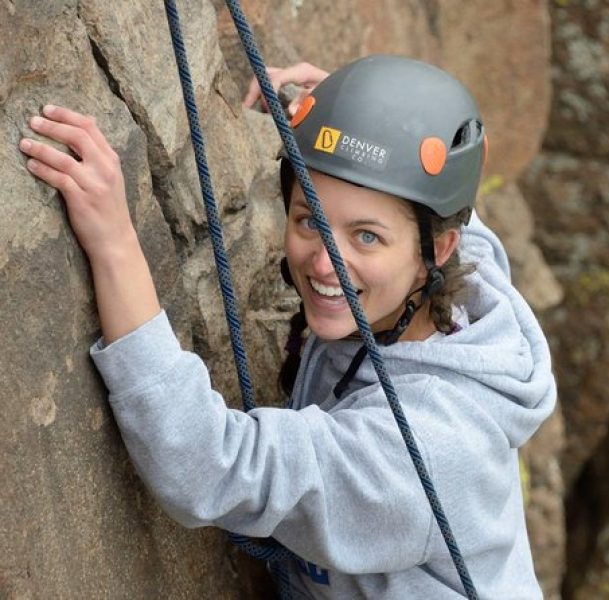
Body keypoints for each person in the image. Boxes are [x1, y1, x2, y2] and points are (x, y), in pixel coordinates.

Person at [19, 55, 556, 599]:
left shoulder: (423, 453)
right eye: (309, 219)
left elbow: (207, 464)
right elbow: (460, 223)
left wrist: (113, 244)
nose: (325, 264)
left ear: (436, 250)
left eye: (366, 236)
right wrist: (366, 115)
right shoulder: (465, 290)